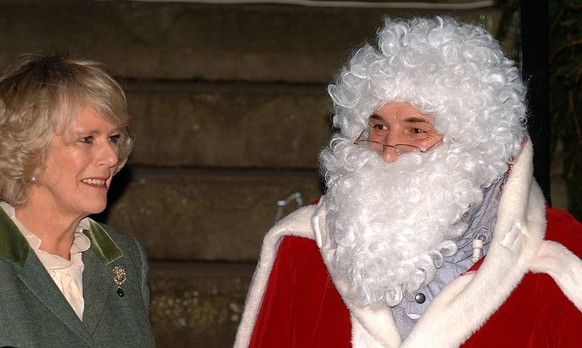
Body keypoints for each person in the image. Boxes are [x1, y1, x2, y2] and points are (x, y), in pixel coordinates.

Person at [235, 16, 582, 347]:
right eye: (379, 126)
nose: (388, 152)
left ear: (476, 140)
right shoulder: (302, 247)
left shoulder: (558, 261)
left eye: (416, 130)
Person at [0, 52, 155, 347]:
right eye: (86, 139)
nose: (111, 157)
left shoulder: (123, 256)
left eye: (113, 138)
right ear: (28, 150)